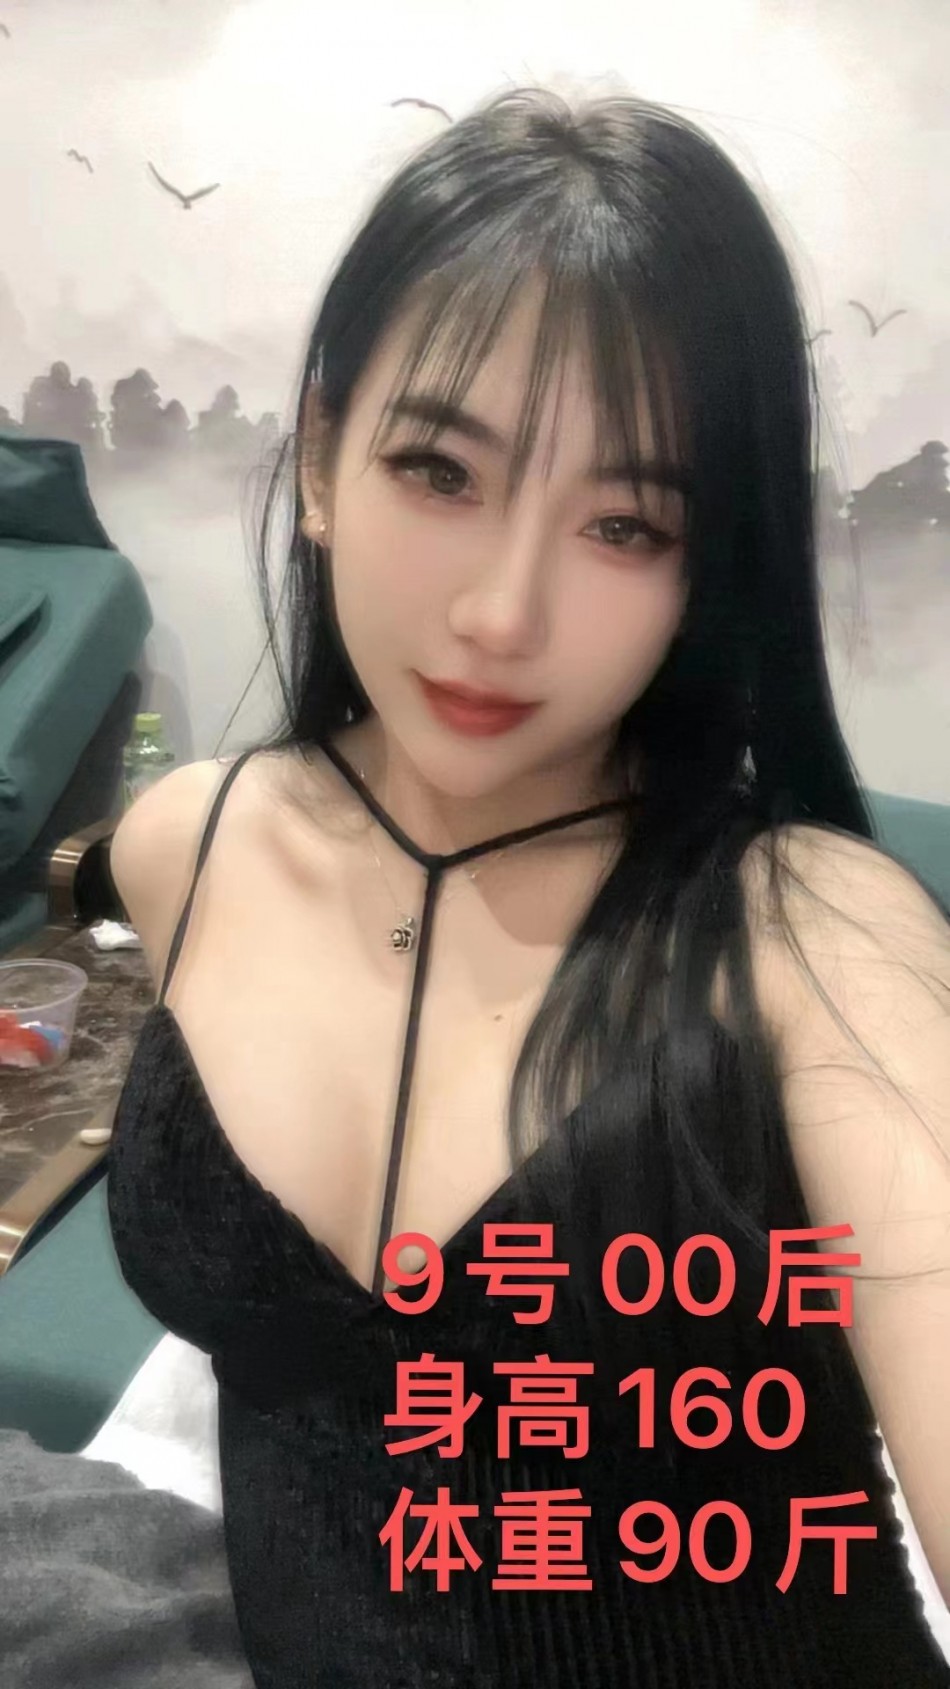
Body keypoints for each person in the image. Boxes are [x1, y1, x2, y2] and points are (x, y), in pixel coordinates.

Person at [106, 85, 950, 1688]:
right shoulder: (182, 852)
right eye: (439, 469)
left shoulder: (809, 940)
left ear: (706, 567)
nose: (502, 613)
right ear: (320, 460)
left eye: (623, 522)